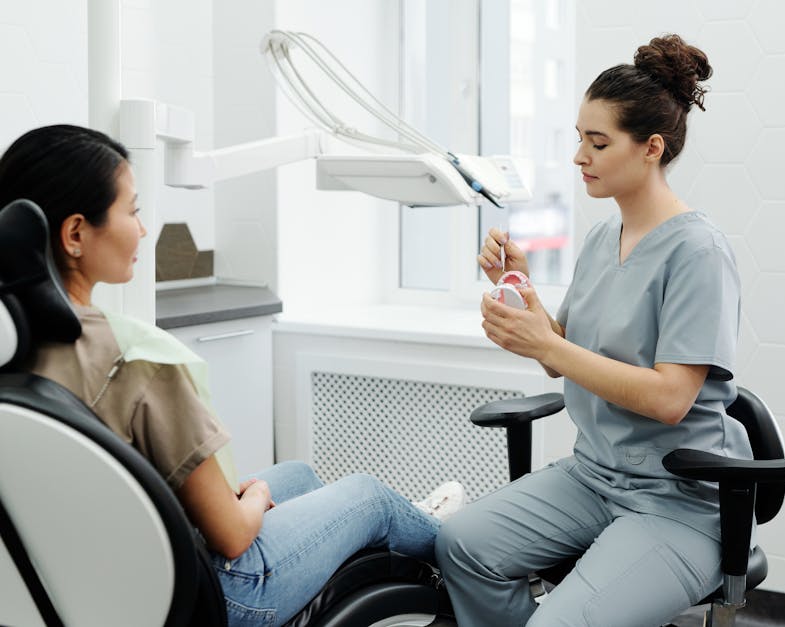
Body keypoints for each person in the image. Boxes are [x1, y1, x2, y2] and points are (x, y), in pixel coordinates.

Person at [0, 123, 464, 627]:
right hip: (215, 594)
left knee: (300, 476)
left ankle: (416, 520)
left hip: (92, 576)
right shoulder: (138, 360)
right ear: (74, 234)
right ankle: (459, 549)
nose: (143, 229)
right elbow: (233, 538)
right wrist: (257, 499)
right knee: (370, 497)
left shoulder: (15, 343)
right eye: (132, 211)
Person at [435, 34, 754, 627]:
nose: (579, 157)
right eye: (578, 139)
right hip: (593, 476)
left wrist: (547, 342)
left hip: (677, 501)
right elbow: (563, 360)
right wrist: (529, 303)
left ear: (651, 148)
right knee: (461, 546)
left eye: (598, 142)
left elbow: (669, 398)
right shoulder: (601, 239)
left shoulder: (698, 252)